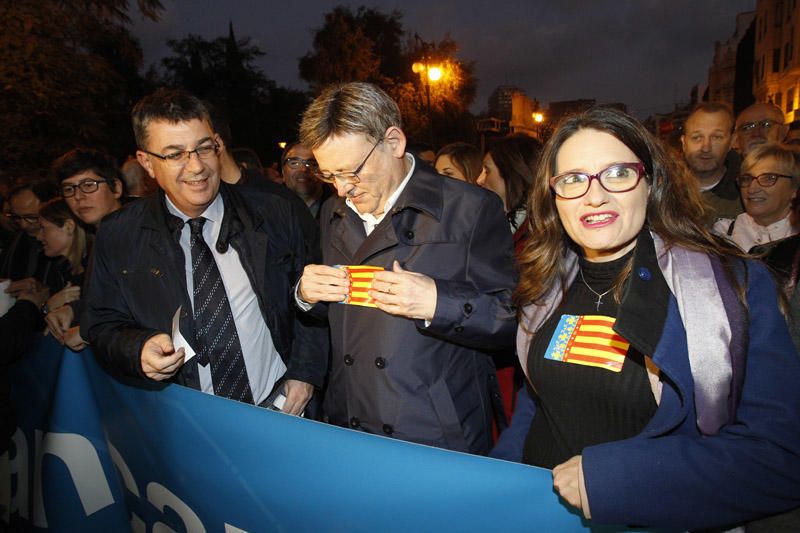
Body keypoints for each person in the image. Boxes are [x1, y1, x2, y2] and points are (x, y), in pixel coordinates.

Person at [492, 107, 800, 530]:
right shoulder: (544, 284)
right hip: (539, 516)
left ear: (650, 182)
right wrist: (499, 479)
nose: (594, 196)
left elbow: (780, 457)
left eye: (617, 174)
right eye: (573, 179)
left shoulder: (736, 287)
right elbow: (536, 403)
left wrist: (616, 478)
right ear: (552, 195)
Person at [296, 82, 517, 454]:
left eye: (351, 172)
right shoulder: (333, 212)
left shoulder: (471, 208)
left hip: (434, 433)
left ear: (394, 142)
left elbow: (513, 319)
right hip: (349, 421)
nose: (341, 189)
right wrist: (305, 295)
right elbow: (337, 313)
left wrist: (438, 303)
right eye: (328, 174)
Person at [82, 88, 327, 411]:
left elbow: (315, 303)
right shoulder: (119, 235)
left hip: (282, 410)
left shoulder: (276, 212)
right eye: (175, 154)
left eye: (203, 148)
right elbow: (99, 324)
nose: (196, 167)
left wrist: (305, 375)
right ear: (147, 163)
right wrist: (136, 348)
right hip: (186, 424)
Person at [713, 143, 800, 252]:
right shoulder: (723, 235)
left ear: (795, 188)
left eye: (768, 178)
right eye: (747, 178)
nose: (752, 189)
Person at [35, 199, 89, 350]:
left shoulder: (97, 269)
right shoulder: (60, 269)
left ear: (69, 227)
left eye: (43, 228)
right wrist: (48, 306)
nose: (39, 237)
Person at [680, 102, 743, 221]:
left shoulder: (748, 193)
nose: (706, 148)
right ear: (684, 143)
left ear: (732, 142)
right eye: (697, 137)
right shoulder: (663, 192)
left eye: (716, 137)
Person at [477, 134, 542, 249]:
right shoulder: (501, 225)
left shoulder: (536, 241)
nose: (479, 180)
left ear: (511, 174)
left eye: (487, 171)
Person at [0, 181, 60, 294]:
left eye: (31, 217)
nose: (23, 225)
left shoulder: (65, 245)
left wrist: (42, 292)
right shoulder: (15, 240)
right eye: (16, 217)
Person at [281, 141, 330, 219]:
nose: (303, 169)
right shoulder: (269, 210)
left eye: (312, 164)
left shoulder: (340, 209)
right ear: (283, 172)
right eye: (294, 163)